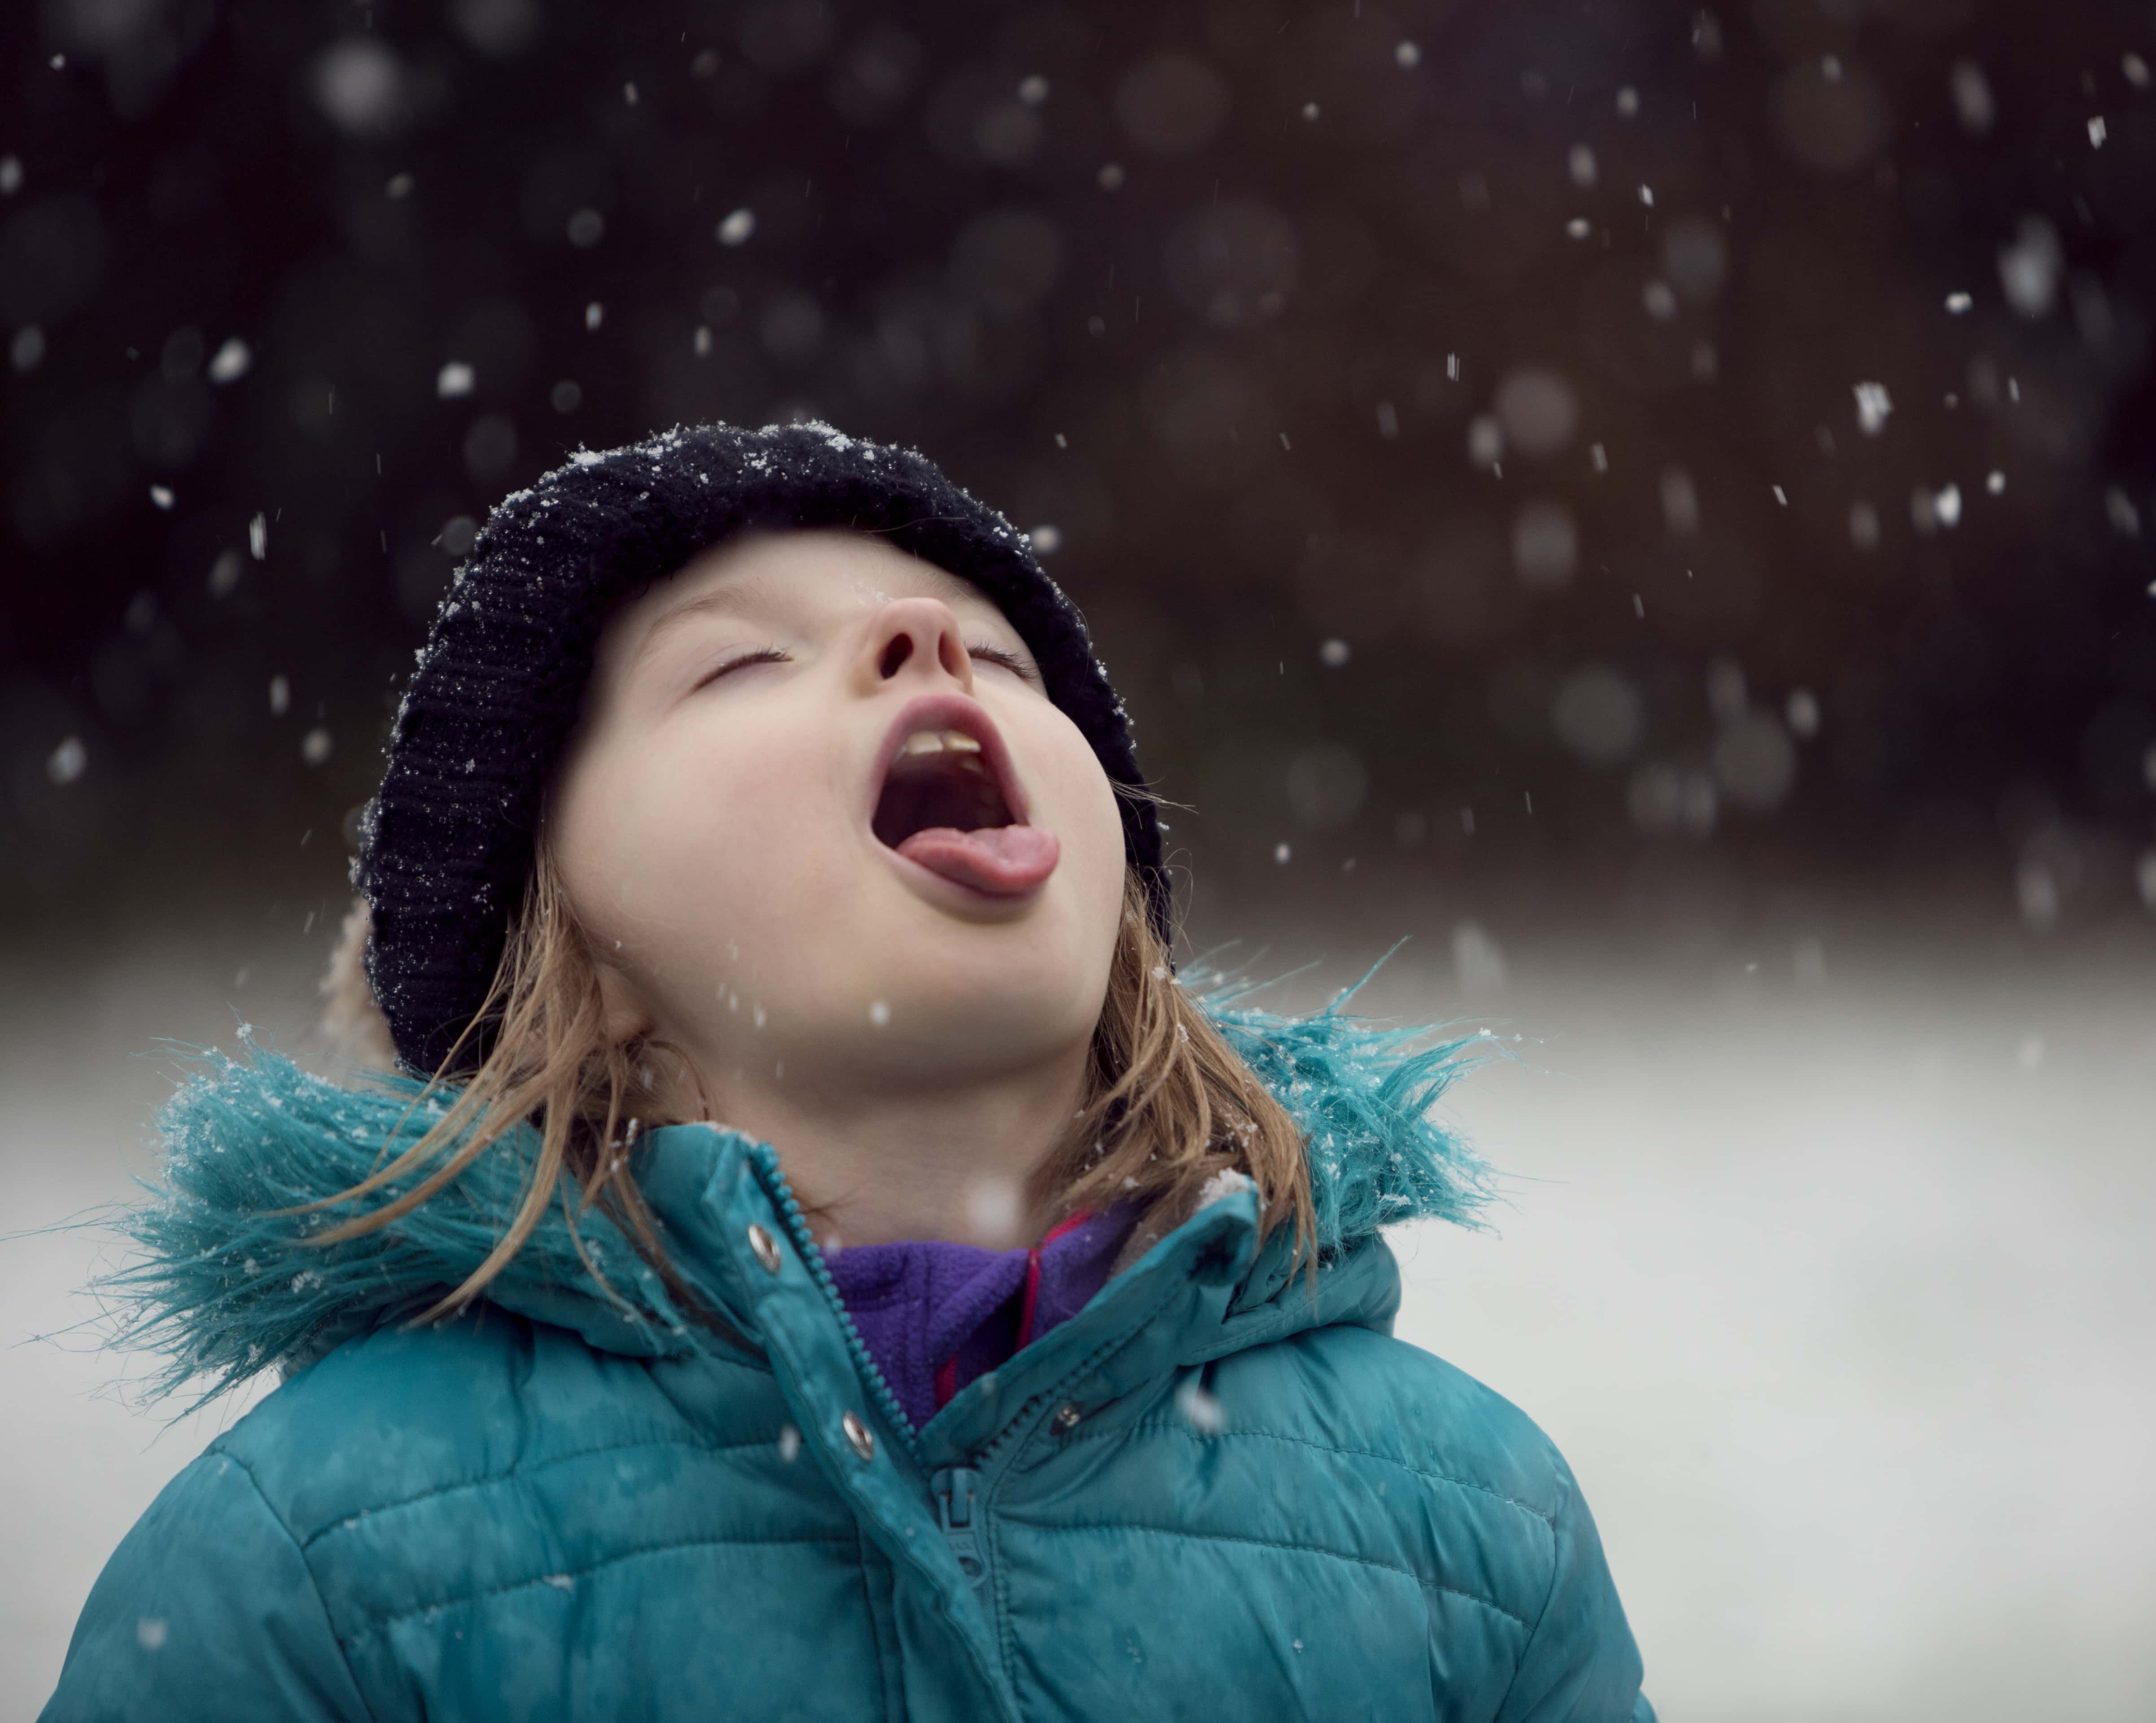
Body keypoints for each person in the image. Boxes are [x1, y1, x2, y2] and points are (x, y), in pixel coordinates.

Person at [44, 422, 1650, 1721]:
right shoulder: (316, 1561)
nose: (929, 637)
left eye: (1004, 661)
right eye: (742, 665)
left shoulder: (1468, 1527)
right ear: (571, 957)